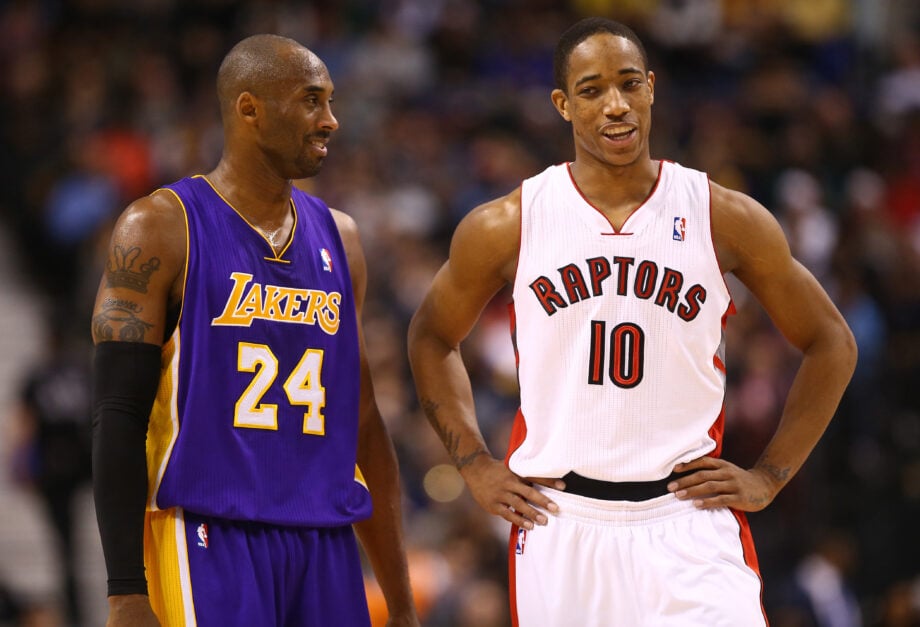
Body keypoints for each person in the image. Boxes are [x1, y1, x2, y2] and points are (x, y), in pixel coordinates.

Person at [407, 17, 857, 626]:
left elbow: (830, 341)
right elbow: (432, 337)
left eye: (627, 84)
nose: (614, 105)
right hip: (561, 523)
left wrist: (770, 475)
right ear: (563, 105)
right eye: (591, 90)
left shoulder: (721, 215)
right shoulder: (509, 222)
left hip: (686, 521)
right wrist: (474, 464)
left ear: (651, 87)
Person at [90, 34, 418, 627]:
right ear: (249, 109)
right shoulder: (160, 226)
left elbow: (363, 421)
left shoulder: (341, 239)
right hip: (210, 534)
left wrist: (400, 603)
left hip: (325, 539)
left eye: (331, 102)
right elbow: (117, 414)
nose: (331, 120)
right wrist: (124, 590)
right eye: (312, 101)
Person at [11, 319, 93, 626]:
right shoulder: (80, 373)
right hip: (78, 464)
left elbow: (25, 421)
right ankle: (74, 608)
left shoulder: (47, 375)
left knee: (66, 545)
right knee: (67, 545)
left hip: (61, 468)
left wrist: (22, 463)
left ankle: (75, 607)